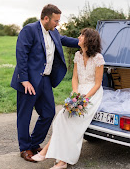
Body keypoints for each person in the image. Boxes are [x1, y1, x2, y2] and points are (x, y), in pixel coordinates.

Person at [10, 4, 79, 162]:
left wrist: (83, 42)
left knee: (48, 113)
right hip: (28, 82)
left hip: (45, 80)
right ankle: (25, 148)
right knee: (24, 115)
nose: (58, 24)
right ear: (46, 18)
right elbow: (21, 55)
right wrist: (24, 80)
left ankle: (34, 144)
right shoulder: (30, 30)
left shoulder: (53, 32)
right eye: (56, 20)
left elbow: (65, 40)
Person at [31, 28, 105, 169]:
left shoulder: (98, 58)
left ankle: (60, 160)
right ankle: (51, 154)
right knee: (61, 118)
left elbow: (97, 84)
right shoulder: (78, 55)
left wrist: (84, 99)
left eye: (82, 35)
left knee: (72, 123)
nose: (78, 37)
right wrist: (76, 94)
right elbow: (75, 78)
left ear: (89, 39)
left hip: (92, 94)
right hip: (78, 91)